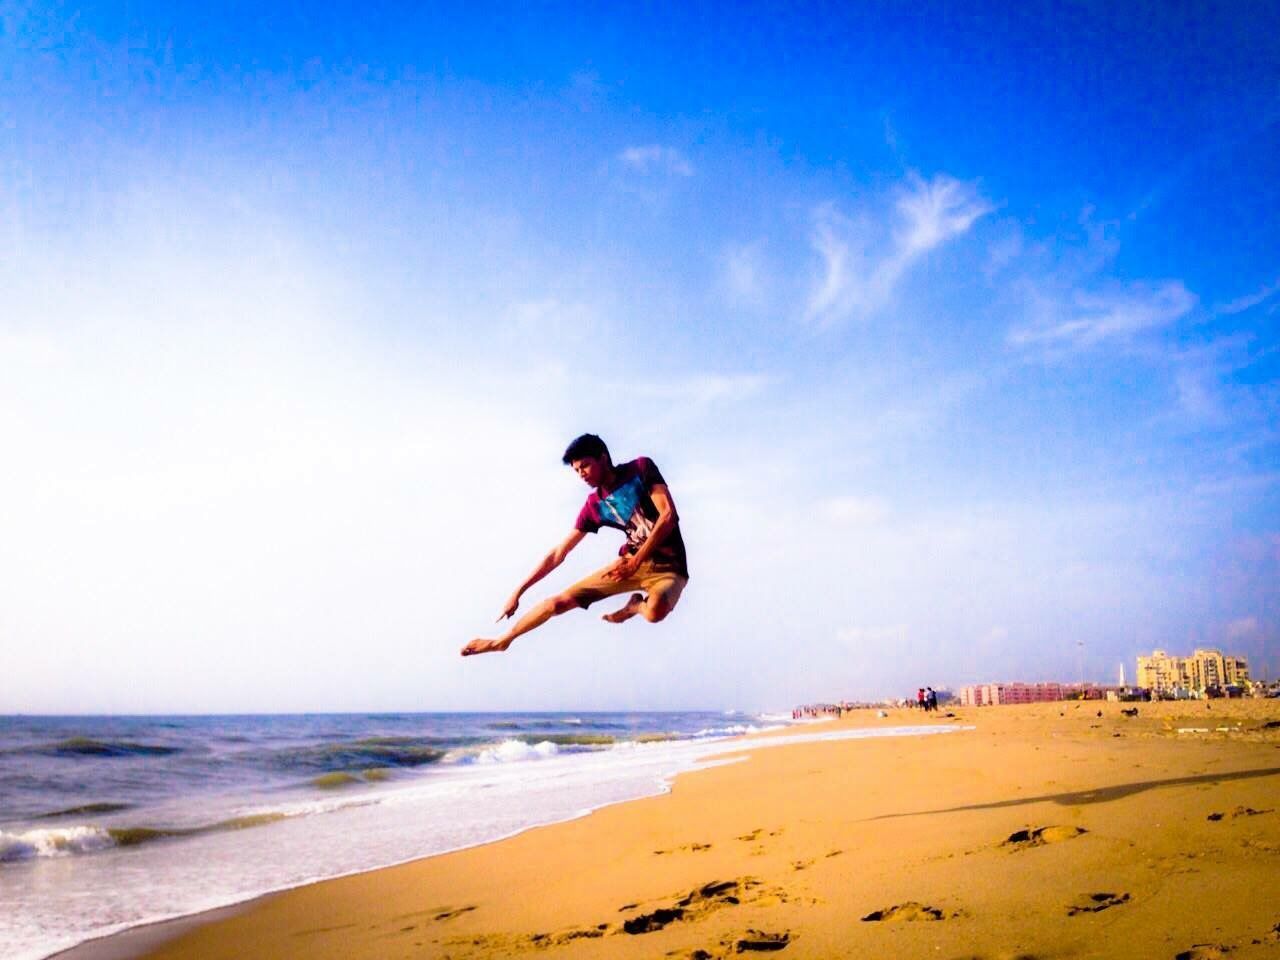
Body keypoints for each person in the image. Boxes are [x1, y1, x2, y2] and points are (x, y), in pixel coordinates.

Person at [461, 434, 689, 656]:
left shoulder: (639, 469)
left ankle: (635, 607)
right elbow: (559, 553)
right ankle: (502, 641)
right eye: (577, 470)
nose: (581, 474)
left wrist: (636, 561)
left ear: (603, 457)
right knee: (557, 603)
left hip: (669, 568)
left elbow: (668, 516)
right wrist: (519, 591)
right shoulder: (594, 506)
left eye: (585, 466)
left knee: (654, 613)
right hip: (627, 564)